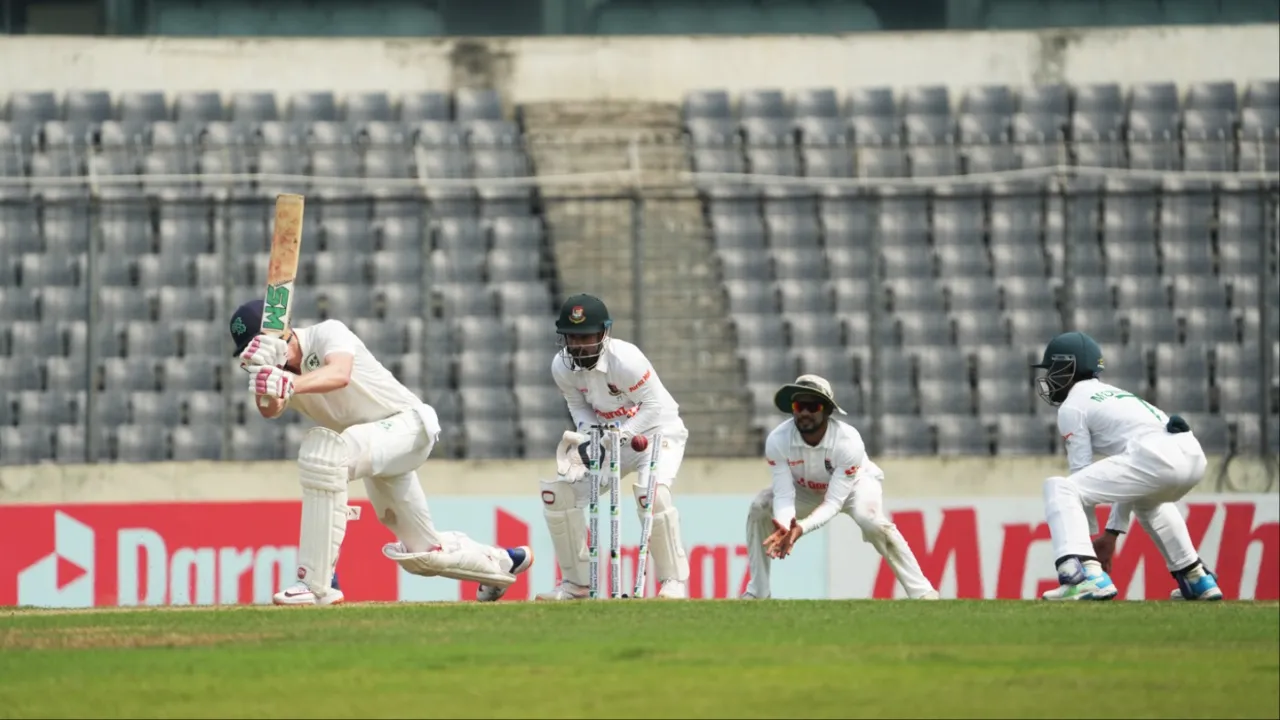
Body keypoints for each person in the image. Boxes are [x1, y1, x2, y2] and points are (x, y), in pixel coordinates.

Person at [228, 299, 532, 605]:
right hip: (374, 447)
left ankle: (317, 584)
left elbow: (339, 373)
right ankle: (502, 563)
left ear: (282, 333)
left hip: (407, 426)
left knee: (326, 457)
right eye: (247, 354)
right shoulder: (276, 372)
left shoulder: (327, 333)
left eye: (256, 346)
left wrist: (289, 382)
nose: (252, 357)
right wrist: (265, 377)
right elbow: (271, 410)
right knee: (423, 555)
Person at [1033, 331, 1223, 601]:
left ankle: (1086, 576)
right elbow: (1132, 479)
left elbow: (1080, 472)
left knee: (1059, 488)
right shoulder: (1113, 393)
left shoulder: (1072, 407)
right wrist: (1110, 536)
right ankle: (1196, 578)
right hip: (1191, 455)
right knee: (1149, 502)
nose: (1050, 378)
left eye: (1054, 369)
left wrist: (1088, 548)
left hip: (1157, 457)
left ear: (1070, 367)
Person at [537, 293, 692, 600]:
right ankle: (577, 585)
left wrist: (619, 434)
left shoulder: (627, 359)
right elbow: (577, 405)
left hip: (655, 433)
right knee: (559, 495)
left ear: (603, 333)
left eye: (587, 337)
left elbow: (653, 406)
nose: (579, 346)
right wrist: (590, 437)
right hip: (611, 439)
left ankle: (673, 582)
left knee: (652, 494)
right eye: (572, 337)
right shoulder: (562, 366)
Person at [744, 375, 939, 600]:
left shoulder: (848, 442)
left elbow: (834, 503)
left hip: (855, 487)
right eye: (799, 406)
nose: (804, 413)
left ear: (827, 410)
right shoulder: (778, 440)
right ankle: (758, 593)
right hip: (804, 490)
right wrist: (786, 526)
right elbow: (784, 494)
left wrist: (801, 528)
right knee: (760, 507)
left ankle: (922, 592)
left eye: (812, 406)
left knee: (871, 520)